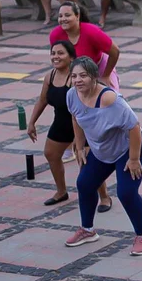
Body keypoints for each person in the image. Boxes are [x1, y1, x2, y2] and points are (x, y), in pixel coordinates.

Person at [65, 57, 142, 255]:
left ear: (94, 77)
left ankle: (141, 236)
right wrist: (79, 146)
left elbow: (134, 127)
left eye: (83, 75)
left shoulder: (110, 99)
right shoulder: (72, 95)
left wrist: (134, 158)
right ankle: (87, 230)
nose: (78, 80)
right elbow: (75, 118)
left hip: (128, 148)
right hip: (101, 149)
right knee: (84, 184)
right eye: (74, 76)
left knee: (126, 192)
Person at [26, 41, 111, 209]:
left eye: (60, 53)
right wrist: (31, 122)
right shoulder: (50, 76)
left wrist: (78, 139)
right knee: (50, 153)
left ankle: (104, 197)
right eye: (53, 53)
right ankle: (61, 191)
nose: (56, 57)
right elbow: (42, 100)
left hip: (83, 124)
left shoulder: (76, 79)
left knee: (87, 163)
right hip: (61, 123)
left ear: (71, 57)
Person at [49, 1, 121, 93]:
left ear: (77, 16)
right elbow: (57, 59)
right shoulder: (55, 35)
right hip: (75, 71)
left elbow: (115, 52)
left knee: (111, 98)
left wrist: (106, 75)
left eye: (67, 15)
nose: (63, 19)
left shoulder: (92, 32)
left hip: (99, 67)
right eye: (60, 16)